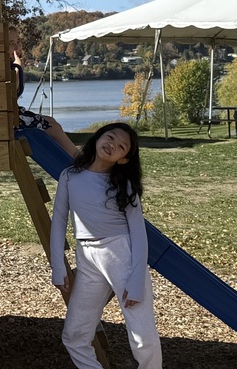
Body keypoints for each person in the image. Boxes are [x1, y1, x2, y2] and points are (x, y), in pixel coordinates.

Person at [51, 122, 162, 369]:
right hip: (87, 258)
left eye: (121, 146)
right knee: (74, 335)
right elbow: (58, 222)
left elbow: (138, 234)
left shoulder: (124, 185)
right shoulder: (70, 176)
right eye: (110, 137)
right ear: (99, 136)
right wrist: (58, 266)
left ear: (124, 159)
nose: (112, 145)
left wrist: (135, 281)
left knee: (141, 335)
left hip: (121, 254)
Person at [10, 25, 79, 157]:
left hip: (12, 117)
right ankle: (78, 161)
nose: (16, 47)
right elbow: (13, 88)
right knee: (53, 128)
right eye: (10, 43)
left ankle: (74, 159)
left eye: (18, 42)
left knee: (52, 122)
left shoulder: (7, 65)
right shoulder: (3, 67)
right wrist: (19, 66)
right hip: (8, 121)